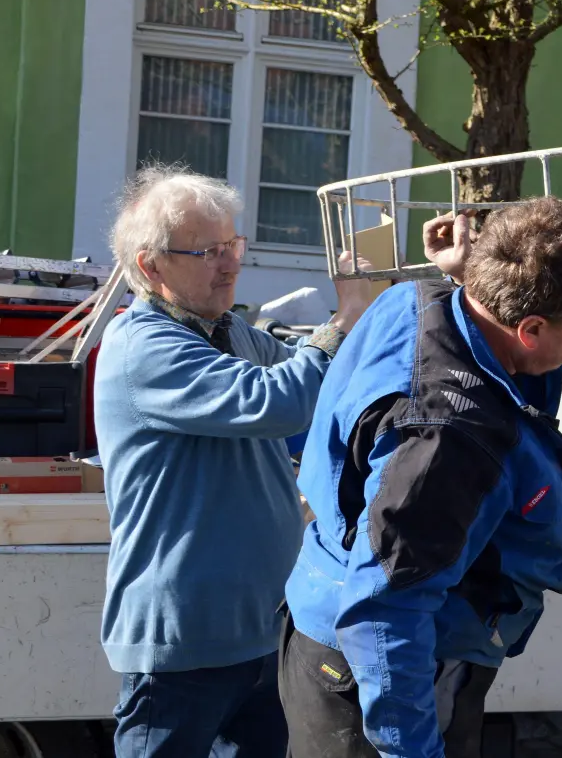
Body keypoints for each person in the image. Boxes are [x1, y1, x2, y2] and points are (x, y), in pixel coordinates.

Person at [280, 197, 562, 758]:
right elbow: (384, 610)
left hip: (335, 629)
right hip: (379, 678)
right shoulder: (447, 441)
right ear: (531, 327)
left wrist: (466, 275)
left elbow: (502, 366)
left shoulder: (418, 298)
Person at [95, 166, 376, 758]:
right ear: (151, 266)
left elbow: (320, 382)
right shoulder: (143, 346)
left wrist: (386, 302)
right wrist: (346, 317)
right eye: (207, 252)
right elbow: (281, 400)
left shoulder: (228, 331)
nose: (229, 265)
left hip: (261, 632)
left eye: (232, 245)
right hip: (184, 642)